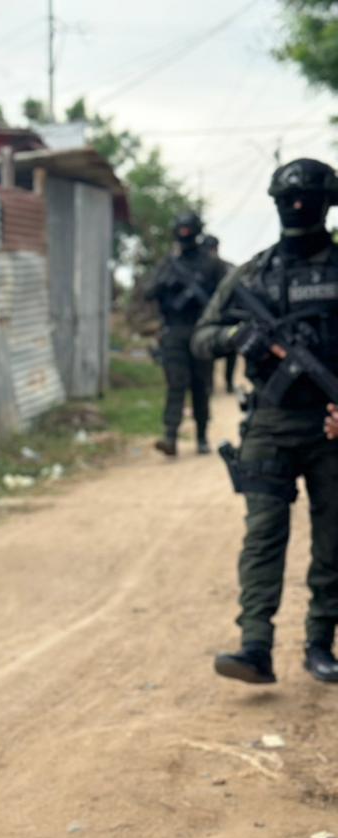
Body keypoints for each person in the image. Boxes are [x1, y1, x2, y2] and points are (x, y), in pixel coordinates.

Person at [192, 157, 338, 685]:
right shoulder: (250, 276)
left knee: (333, 538)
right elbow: (202, 336)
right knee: (263, 536)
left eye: (309, 199)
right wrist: (238, 339)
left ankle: (320, 643)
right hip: (272, 423)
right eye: (288, 199)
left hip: (329, 424)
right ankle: (256, 645)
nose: (298, 207)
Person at [144, 211, 228, 456]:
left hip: (201, 329)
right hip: (174, 330)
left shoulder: (211, 264)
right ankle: (170, 436)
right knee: (176, 383)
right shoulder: (169, 264)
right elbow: (149, 291)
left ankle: (201, 436)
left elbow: (225, 294)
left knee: (201, 385)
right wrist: (166, 283)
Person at [202, 234, 238, 394]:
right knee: (209, 349)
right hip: (214, 314)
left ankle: (227, 383)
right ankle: (211, 384)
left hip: (227, 315)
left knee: (232, 347)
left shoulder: (228, 267)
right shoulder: (206, 269)